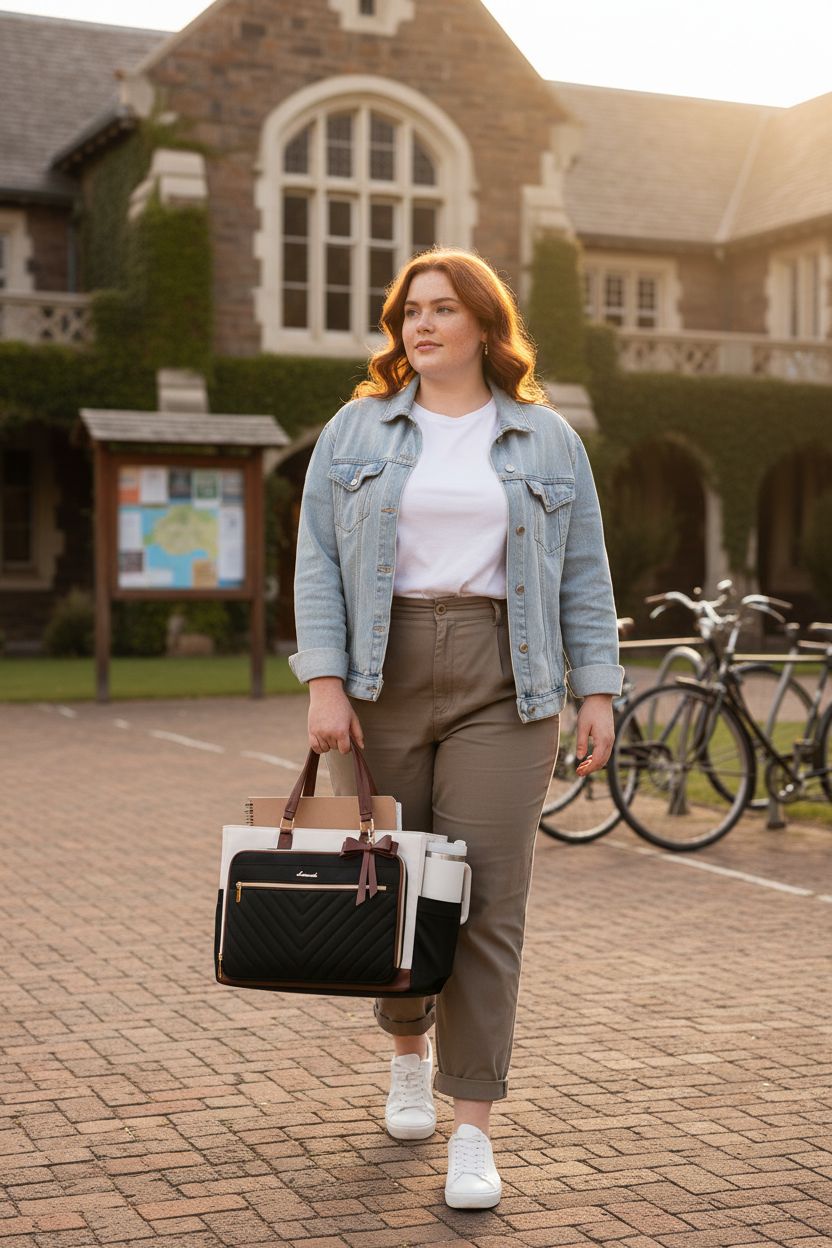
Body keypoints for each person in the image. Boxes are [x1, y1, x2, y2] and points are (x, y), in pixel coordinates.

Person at [289, 246, 623, 1209]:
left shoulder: (547, 440)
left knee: (487, 902)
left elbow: (584, 574)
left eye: (441, 309)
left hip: (506, 680)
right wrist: (323, 681)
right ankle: (406, 1053)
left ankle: (471, 1124)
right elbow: (316, 559)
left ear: (484, 323)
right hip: (379, 674)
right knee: (394, 887)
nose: (419, 326)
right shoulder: (356, 431)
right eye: (408, 312)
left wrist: (595, 689)